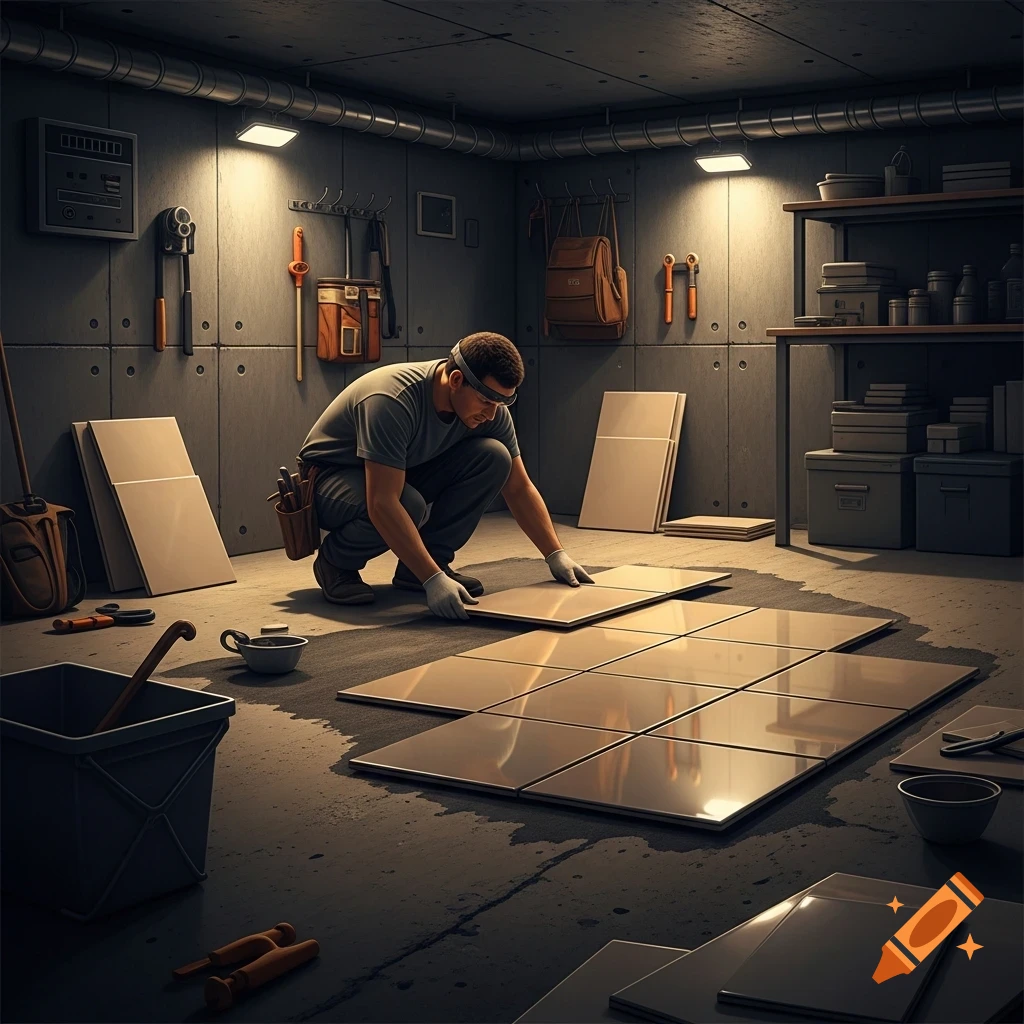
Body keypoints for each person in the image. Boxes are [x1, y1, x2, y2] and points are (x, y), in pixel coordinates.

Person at [298, 332, 593, 619]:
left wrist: (555, 554)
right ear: (455, 380)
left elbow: (519, 487)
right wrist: (433, 580)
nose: (492, 415)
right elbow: (383, 503)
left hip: (396, 473)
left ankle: (422, 566)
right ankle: (336, 562)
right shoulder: (392, 400)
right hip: (327, 481)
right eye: (487, 402)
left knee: (494, 457)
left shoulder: (490, 411)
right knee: (406, 503)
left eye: (502, 403)